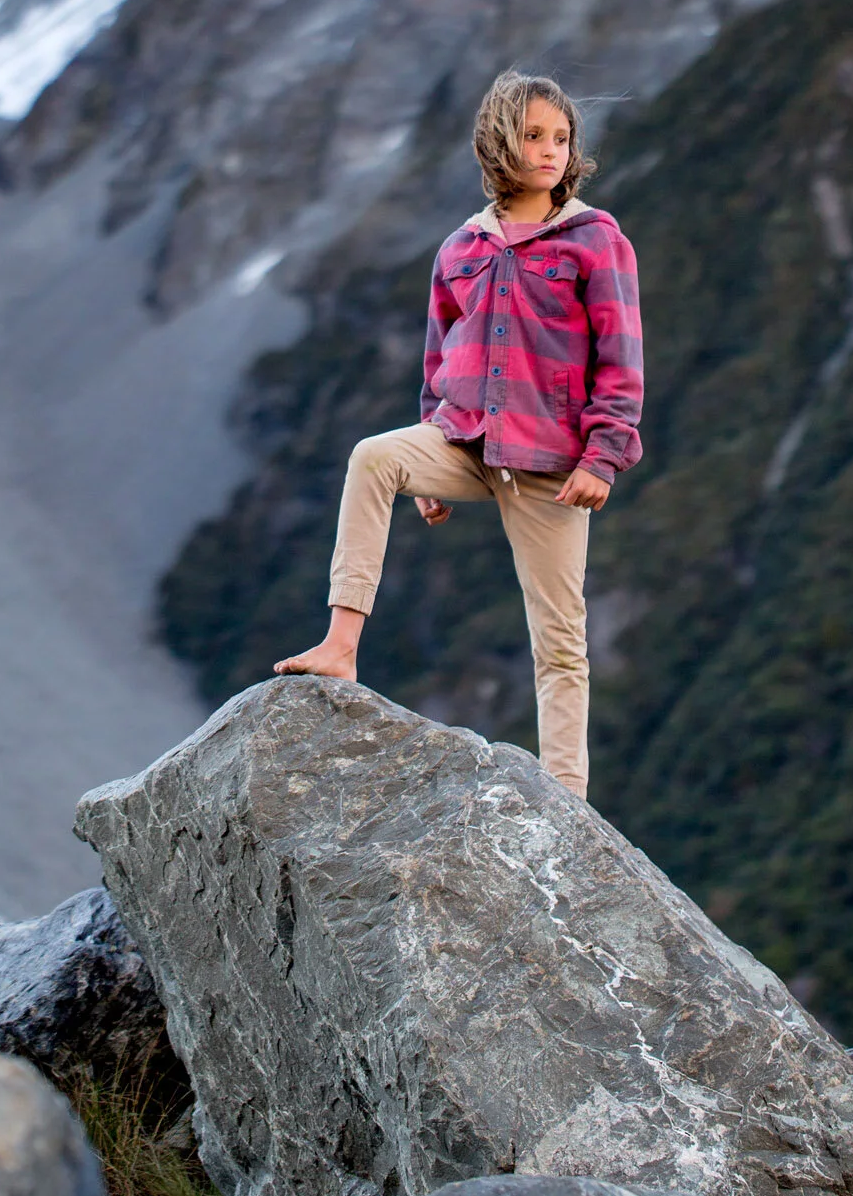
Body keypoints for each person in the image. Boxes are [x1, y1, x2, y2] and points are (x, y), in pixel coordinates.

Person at [274, 68, 643, 796]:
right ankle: (341, 644)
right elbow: (439, 360)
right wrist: (427, 458)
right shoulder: (461, 250)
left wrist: (602, 456)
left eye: (561, 139)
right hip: (465, 443)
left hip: (552, 463)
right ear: (497, 143)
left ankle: (566, 796)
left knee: (560, 640)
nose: (549, 151)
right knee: (374, 459)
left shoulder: (594, 240)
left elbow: (621, 356)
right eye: (533, 135)